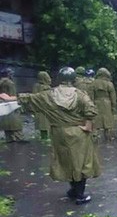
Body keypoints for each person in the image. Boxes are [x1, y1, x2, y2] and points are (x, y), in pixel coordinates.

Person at [0, 67, 100, 205]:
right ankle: (80, 195)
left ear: (59, 78)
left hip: (59, 133)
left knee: (66, 161)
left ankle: (73, 190)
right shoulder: (81, 95)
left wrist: (10, 97)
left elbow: (30, 99)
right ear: (73, 79)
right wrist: (88, 126)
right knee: (81, 163)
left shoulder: (48, 95)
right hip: (78, 132)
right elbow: (91, 110)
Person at [0, 67, 27, 143]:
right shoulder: (10, 83)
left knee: (8, 131)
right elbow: (13, 96)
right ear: (8, 74)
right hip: (12, 108)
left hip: (3, 108)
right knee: (17, 129)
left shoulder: (1, 82)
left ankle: (10, 147)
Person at [91, 67, 117, 141]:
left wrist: (91, 106)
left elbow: (91, 96)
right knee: (108, 122)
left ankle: (95, 137)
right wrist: (114, 108)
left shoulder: (93, 83)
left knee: (96, 121)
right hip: (107, 104)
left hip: (96, 103)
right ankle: (109, 137)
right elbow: (113, 97)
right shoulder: (109, 84)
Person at [32, 71, 52, 140]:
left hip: (38, 108)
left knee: (42, 124)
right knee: (46, 124)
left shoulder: (36, 86)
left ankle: (43, 137)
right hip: (46, 109)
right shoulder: (47, 87)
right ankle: (46, 138)